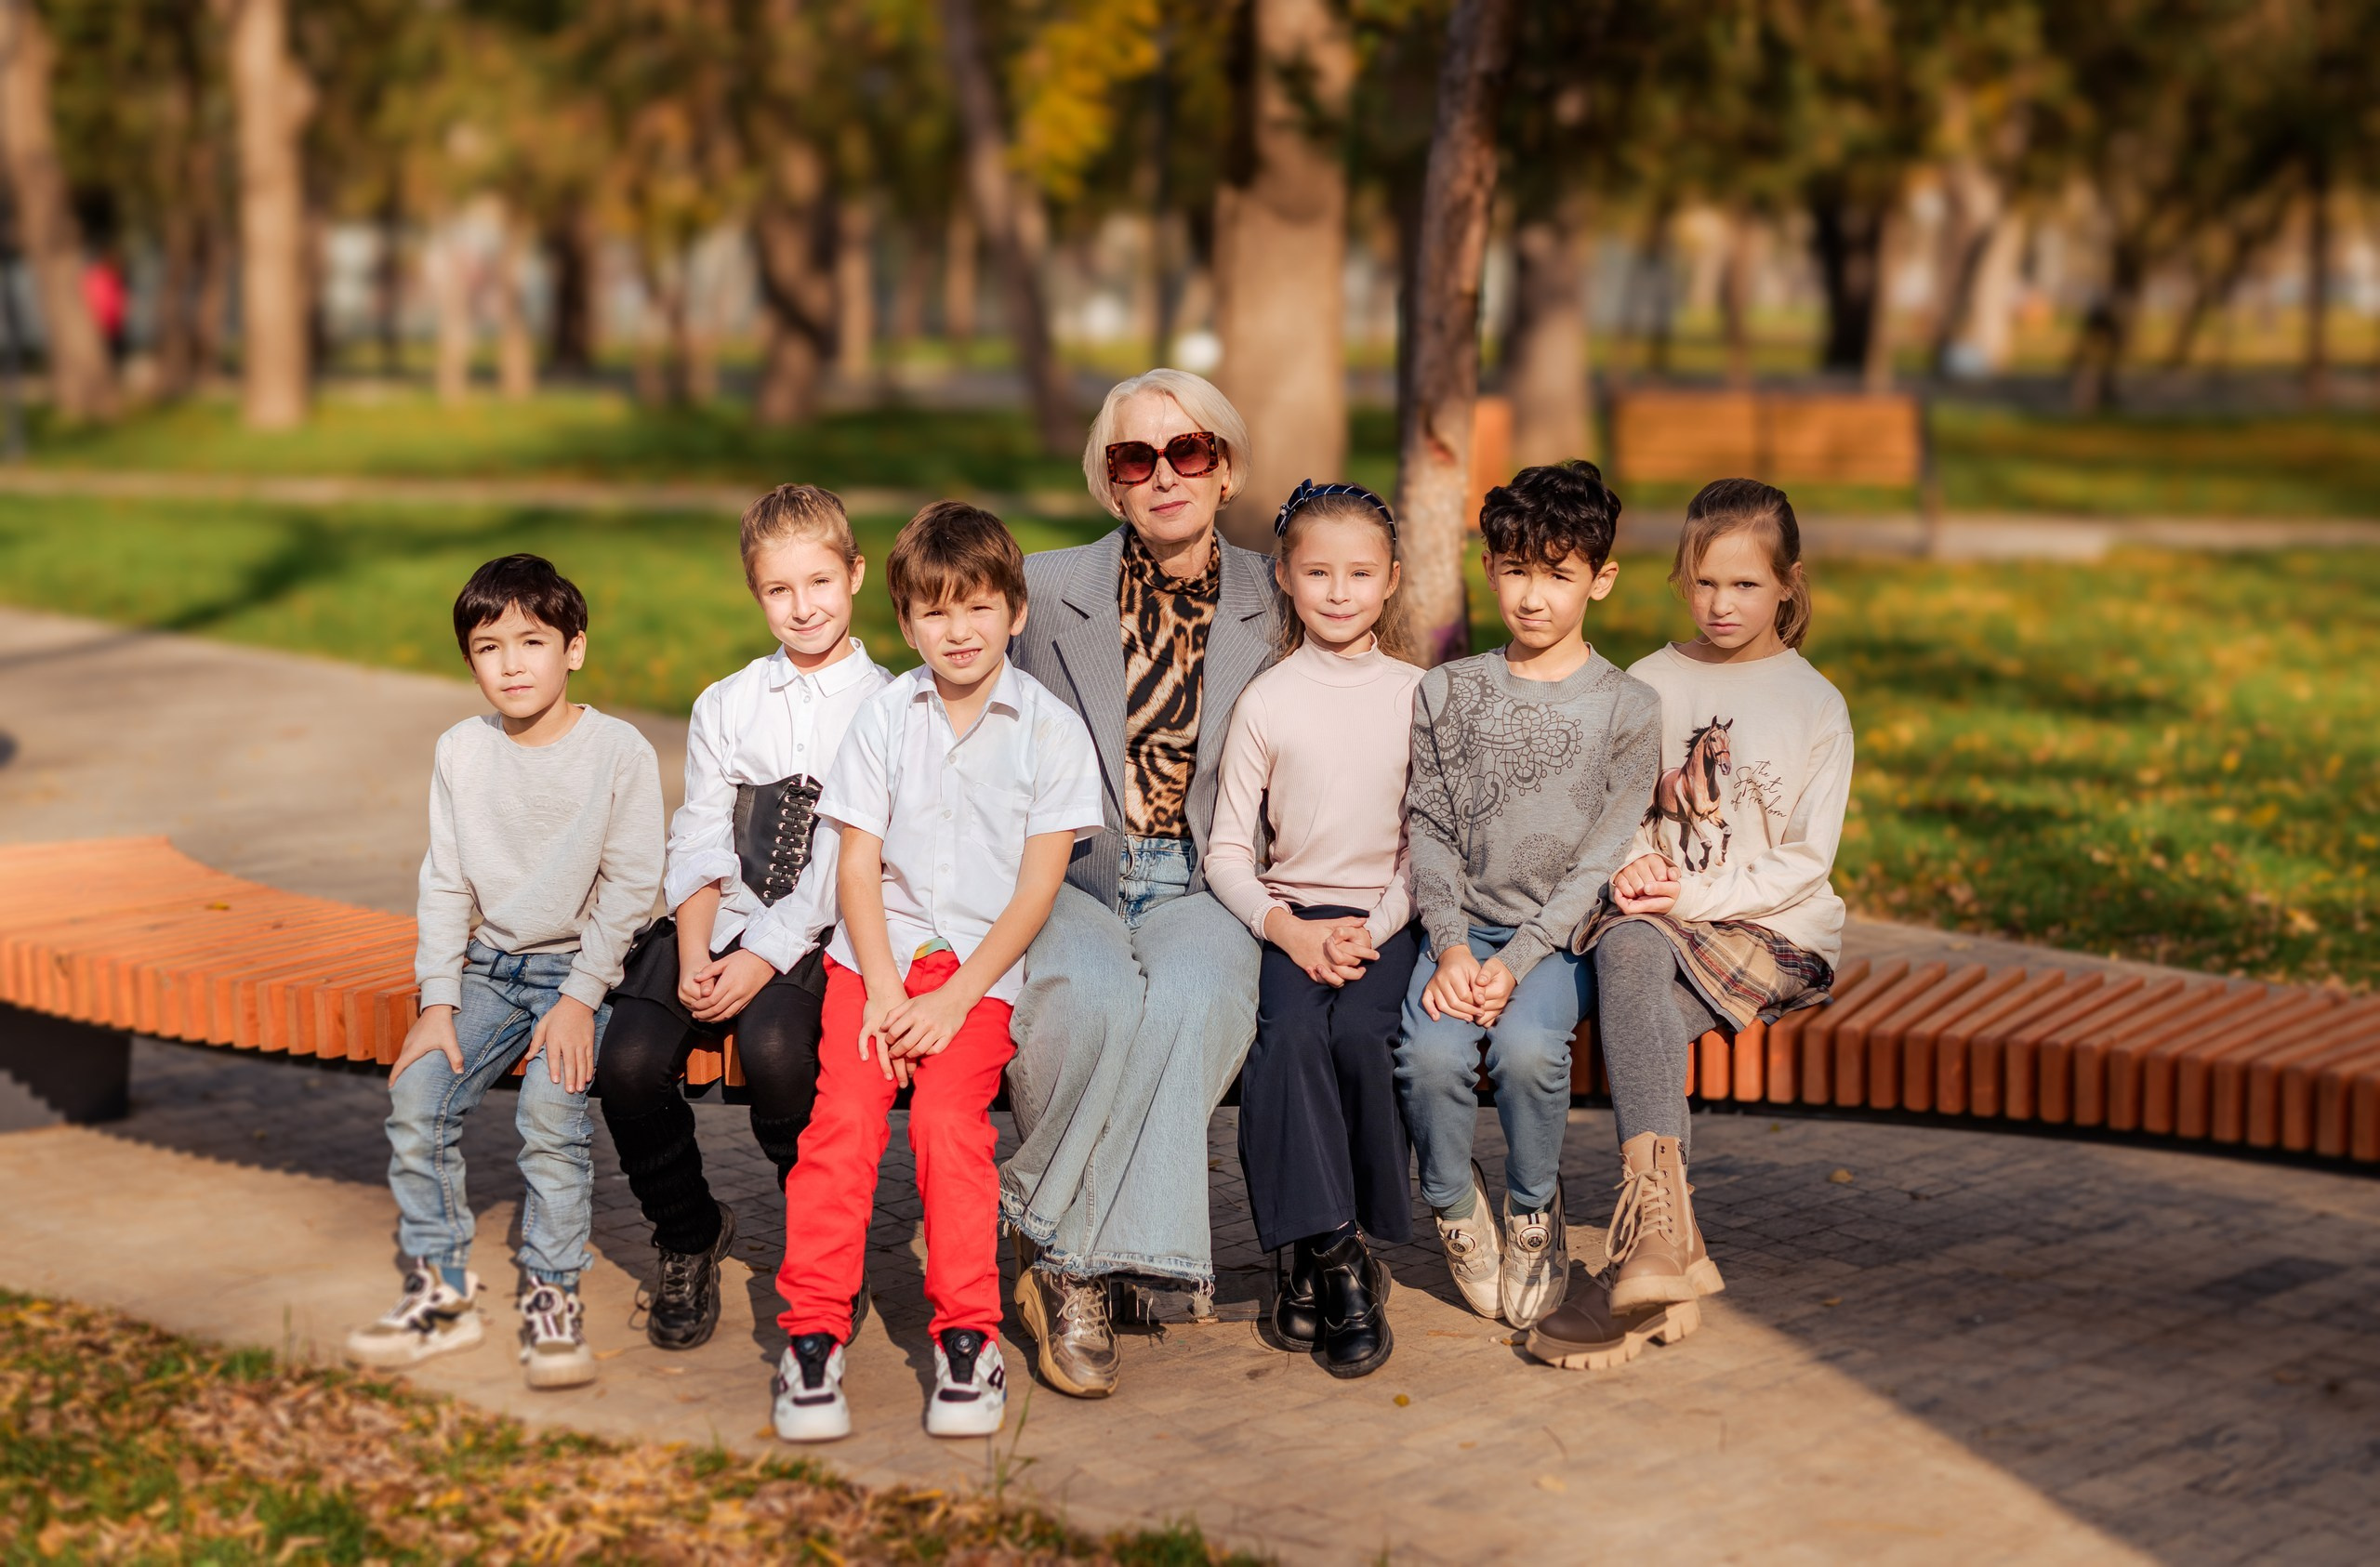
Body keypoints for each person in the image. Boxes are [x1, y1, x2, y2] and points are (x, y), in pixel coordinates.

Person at [770, 502, 1104, 1442]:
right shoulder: (884, 718)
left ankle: (968, 1335)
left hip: (979, 975)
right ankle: (813, 1335)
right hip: (874, 963)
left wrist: (956, 998)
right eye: (933, 613)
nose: (956, 632)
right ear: (906, 623)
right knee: (841, 1123)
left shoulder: (1048, 731)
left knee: (951, 1129)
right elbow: (856, 867)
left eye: (977, 608)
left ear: (1016, 612)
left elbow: (1036, 891)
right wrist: (881, 990)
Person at [999, 368, 1280, 1400]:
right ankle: (1078, 1273)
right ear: (1109, 485)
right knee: (1087, 999)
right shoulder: (1038, 589)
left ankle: (1053, 1239)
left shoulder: (1281, 597)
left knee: (1200, 998)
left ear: (1226, 468)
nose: (1164, 474)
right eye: (1134, 457)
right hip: (1067, 872)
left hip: (1208, 879)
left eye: (1188, 451)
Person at [1529, 478, 1851, 1367]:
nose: (1721, 604)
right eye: (1705, 583)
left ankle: (1647, 1249)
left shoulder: (1816, 705)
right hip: (1657, 920)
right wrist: (1634, 863)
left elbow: (1803, 864)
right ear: (1682, 578)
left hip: (1768, 926)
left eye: (1745, 586)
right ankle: (1660, 1249)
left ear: (1787, 585)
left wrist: (1684, 895)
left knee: (1641, 1008)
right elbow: (1617, 810)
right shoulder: (1649, 682)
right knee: (1630, 948)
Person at [345, 555, 664, 1389]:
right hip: (490, 967)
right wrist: (438, 1001)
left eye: (533, 641)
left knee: (549, 1116)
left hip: (586, 972)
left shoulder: (618, 752)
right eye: (490, 648)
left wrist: (578, 999)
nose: (513, 663)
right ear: (470, 663)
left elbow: (633, 887)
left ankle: (553, 1296)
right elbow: (445, 881)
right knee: (417, 1097)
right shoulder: (461, 751)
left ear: (575, 649)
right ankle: (441, 1290)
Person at [595, 484, 891, 1350]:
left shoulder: (888, 704)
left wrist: (761, 958)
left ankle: (823, 1242)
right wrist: (693, 948)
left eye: (819, 583)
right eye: (778, 590)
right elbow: (697, 832)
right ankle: (688, 1230)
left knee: (772, 1051)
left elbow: (846, 856)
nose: (803, 608)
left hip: (819, 931)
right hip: (715, 917)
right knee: (631, 1061)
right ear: (755, 593)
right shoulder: (727, 701)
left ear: (855, 576)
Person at [1395, 461, 1661, 1333]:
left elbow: (1599, 860)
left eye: (1558, 572)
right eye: (1515, 569)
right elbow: (1426, 827)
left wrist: (1515, 960)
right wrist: (1454, 946)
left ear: (1601, 578)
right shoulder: (1448, 691)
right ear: (1489, 568)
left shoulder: (1628, 707)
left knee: (1526, 1052)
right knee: (1430, 1059)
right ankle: (1452, 1203)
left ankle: (1532, 1212)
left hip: (1557, 939)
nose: (1533, 596)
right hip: (1457, 932)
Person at [1205, 480, 1424, 1379]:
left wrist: (1372, 929)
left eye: (1359, 573)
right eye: (1318, 572)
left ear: (1391, 581)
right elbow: (1225, 852)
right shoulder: (1268, 700)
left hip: (1385, 919)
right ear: (1286, 580)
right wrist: (1286, 930)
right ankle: (1334, 1260)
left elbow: (1428, 844)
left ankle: (1329, 1245)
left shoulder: (1421, 695)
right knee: (1287, 1038)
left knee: (1366, 1038)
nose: (1339, 591)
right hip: (1292, 919)